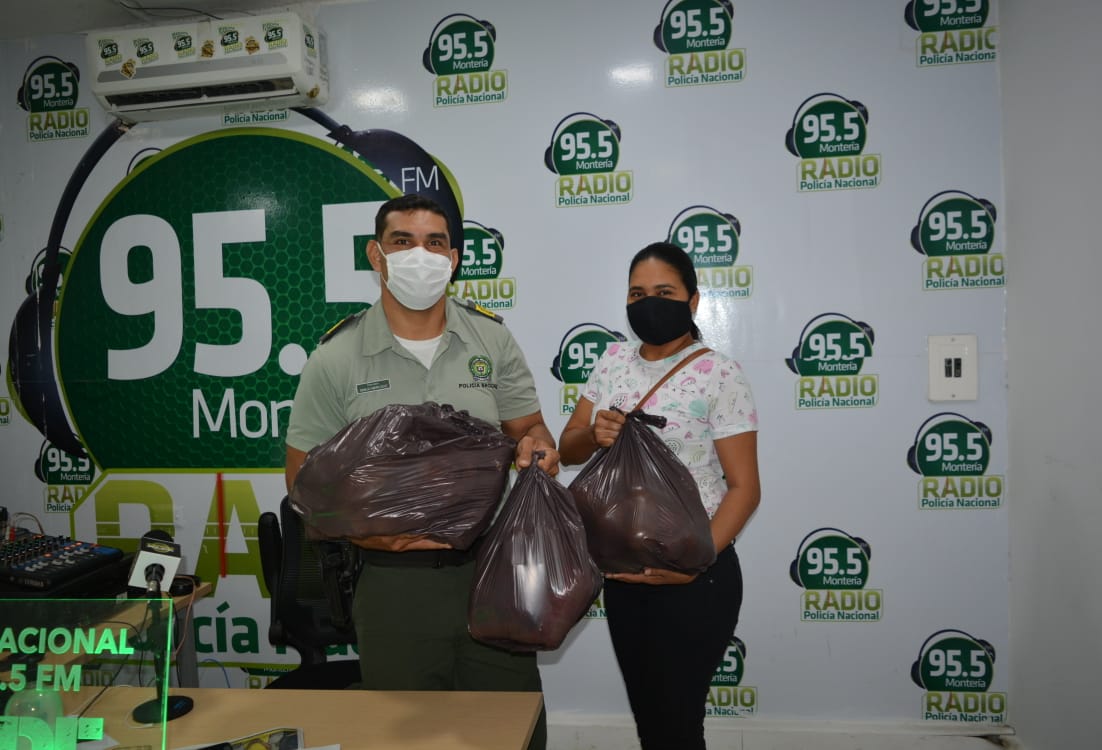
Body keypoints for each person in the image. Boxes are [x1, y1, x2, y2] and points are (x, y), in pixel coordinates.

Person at [285, 193, 557, 750]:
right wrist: (378, 533)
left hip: (493, 575)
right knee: (402, 741)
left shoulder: (493, 340)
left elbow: (531, 429)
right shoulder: (336, 357)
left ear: (454, 259)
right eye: (402, 241)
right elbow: (301, 483)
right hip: (392, 586)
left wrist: (539, 451)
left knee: (512, 734)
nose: (420, 254)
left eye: (435, 242)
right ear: (375, 256)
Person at [558, 241, 760, 750]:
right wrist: (596, 432)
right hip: (625, 576)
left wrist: (696, 562)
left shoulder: (720, 373)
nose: (649, 302)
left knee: (678, 723)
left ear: (693, 302)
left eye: (664, 292)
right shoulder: (611, 362)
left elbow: (745, 488)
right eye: (637, 293)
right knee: (652, 723)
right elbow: (569, 446)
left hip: (697, 579)